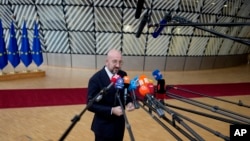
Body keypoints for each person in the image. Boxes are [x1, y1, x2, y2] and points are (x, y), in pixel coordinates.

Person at [87, 49, 135, 141]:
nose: (118, 65)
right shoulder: (96, 79)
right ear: (107, 62)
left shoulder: (123, 74)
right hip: (103, 129)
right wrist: (111, 110)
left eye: (120, 62)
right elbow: (90, 104)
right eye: (114, 61)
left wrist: (129, 102)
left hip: (119, 127)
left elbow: (126, 92)